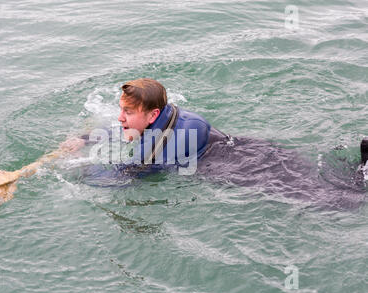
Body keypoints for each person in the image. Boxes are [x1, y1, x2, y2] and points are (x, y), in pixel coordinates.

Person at [61, 78, 367, 210]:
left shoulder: (154, 150)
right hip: (252, 149)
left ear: (152, 113)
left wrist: (69, 173)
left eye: (127, 111)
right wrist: (86, 138)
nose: (120, 117)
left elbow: (118, 178)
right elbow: (128, 126)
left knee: (333, 202)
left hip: (246, 170)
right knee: (325, 182)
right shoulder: (174, 115)